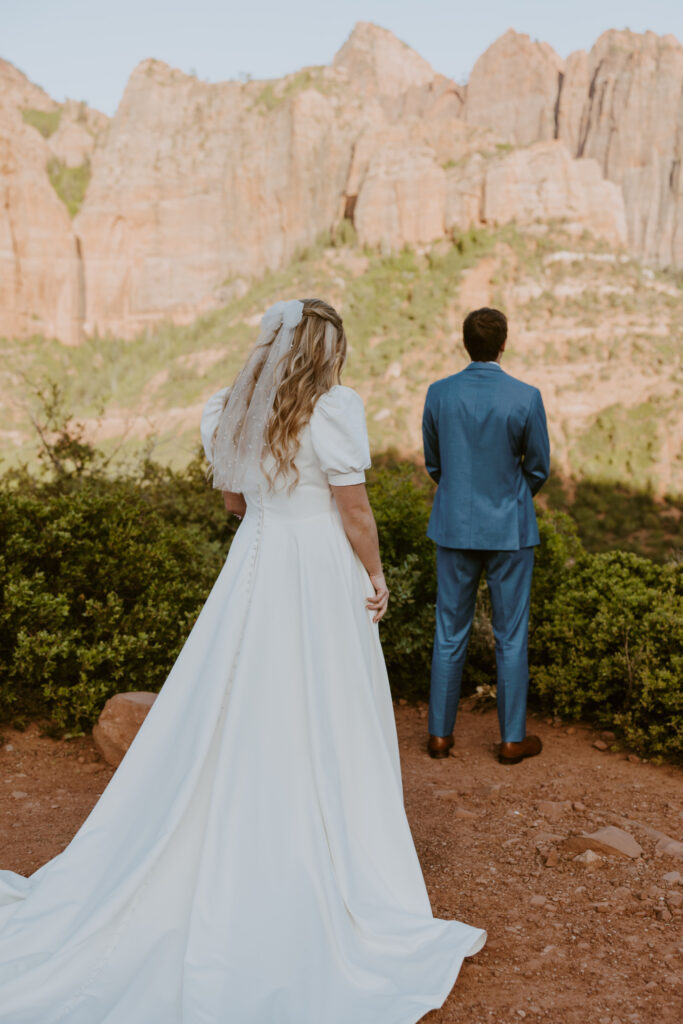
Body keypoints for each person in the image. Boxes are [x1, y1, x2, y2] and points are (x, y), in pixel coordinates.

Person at [0, 298, 485, 1023]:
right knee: (326, 705)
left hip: (255, 560)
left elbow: (233, 502)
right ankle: (326, 849)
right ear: (326, 353)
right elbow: (354, 511)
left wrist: (271, 499)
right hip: (318, 567)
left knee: (236, 695)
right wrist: (376, 578)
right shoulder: (333, 408)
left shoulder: (227, 409)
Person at [422, 307, 550, 766]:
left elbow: (435, 463)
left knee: (448, 632)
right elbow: (538, 467)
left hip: (454, 526)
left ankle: (439, 735)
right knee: (511, 635)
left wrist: (461, 496)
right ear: (504, 343)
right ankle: (512, 739)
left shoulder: (439, 394)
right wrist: (512, 496)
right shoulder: (526, 396)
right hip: (510, 530)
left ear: (465, 344)